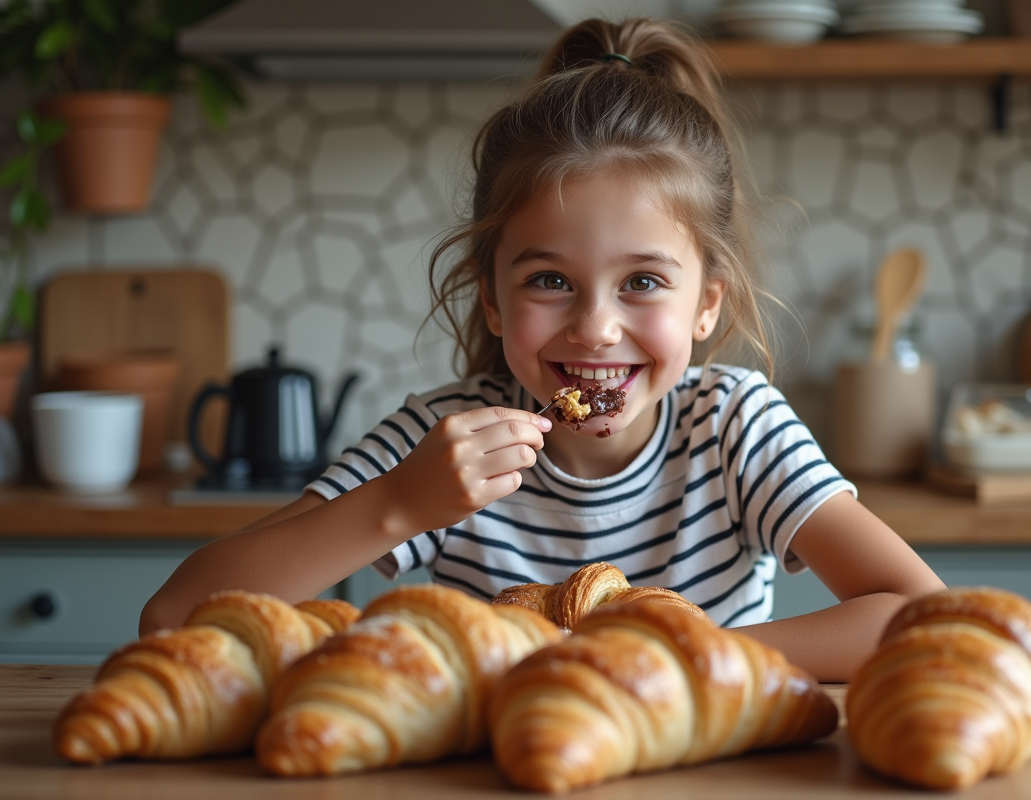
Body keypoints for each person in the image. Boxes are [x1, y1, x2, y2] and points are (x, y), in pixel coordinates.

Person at [141, 17, 944, 681]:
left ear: (706, 304)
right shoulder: (442, 443)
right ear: (491, 297)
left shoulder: (734, 429)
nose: (596, 327)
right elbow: (174, 618)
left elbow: (918, 619)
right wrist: (401, 506)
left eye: (642, 283)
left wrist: (674, 658)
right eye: (550, 281)